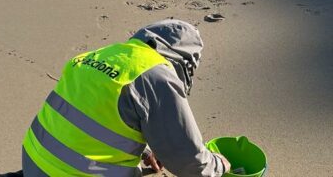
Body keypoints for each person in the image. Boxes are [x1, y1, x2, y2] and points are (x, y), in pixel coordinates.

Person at [17, 19, 231, 176]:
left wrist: (146, 149)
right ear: (186, 61)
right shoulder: (157, 76)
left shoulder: (99, 55)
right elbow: (188, 162)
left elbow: (94, 116)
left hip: (33, 162)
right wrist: (219, 164)